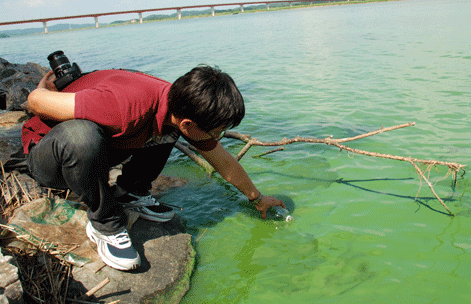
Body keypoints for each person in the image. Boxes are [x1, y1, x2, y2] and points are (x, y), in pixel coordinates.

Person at [22, 65, 285, 271]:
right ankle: (105, 222)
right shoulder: (121, 106)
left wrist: (258, 199)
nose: (220, 135)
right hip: (51, 160)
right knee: (82, 135)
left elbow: (223, 161)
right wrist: (44, 90)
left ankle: (130, 192)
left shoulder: (179, 103)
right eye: (219, 130)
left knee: (163, 129)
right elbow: (34, 101)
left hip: (106, 147)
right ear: (188, 124)